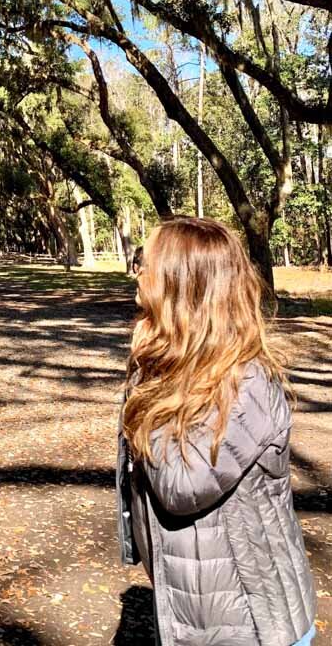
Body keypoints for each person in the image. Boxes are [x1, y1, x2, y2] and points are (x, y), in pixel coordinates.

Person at [116, 216, 316, 646]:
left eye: (143, 260)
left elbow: (181, 485)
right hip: (201, 611)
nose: (136, 271)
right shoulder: (176, 370)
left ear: (180, 283)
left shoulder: (246, 384)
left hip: (254, 625)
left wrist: (145, 394)